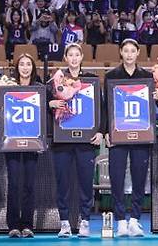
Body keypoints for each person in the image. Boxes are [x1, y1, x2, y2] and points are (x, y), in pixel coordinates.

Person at [104, 39, 158, 237]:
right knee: (117, 178)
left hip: (141, 134)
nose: (129, 54)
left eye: (133, 51)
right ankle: (120, 220)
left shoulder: (147, 76)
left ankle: (135, 220)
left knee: (139, 177)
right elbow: (106, 107)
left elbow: (156, 110)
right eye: (125, 51)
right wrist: (106, 132)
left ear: (138, 53)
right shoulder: (111, 76)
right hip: (117, 134)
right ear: (121, 53)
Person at [51, 44, 103, 238]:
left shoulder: (92, 80)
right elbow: (47, 102)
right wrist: (51, 102)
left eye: (77, 55)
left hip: (85, 141)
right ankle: (64, 222)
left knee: (85, 183)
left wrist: (101, 131)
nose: (73, 58)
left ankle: (85, 221)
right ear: (65, 57)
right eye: (70, 55)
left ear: (81, 57)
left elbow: (101, 107)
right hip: (62, 140)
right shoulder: (56, 79)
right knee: (63, 182)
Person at [5, 53, 42, 238]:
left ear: (33, 68)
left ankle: (27, 224)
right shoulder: (8, 88)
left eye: (29, 64)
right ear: (17, 67)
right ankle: (12, 225)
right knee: (13, 183)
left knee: (29, 184)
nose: (25, 67)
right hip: (11, 141)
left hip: (32, 141)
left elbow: (47, 108)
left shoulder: (39, 88)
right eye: (22, 64)